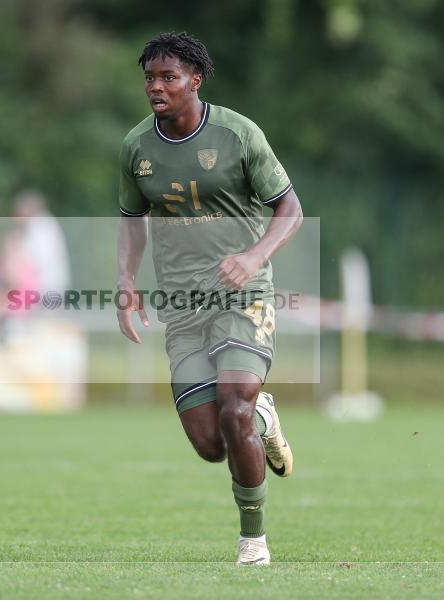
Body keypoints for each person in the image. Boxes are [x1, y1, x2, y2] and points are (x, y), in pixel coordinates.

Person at [115, 32, 303, 566]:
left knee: (234, 408)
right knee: (211, 444)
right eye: (150, 78)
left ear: (195, 80)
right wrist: (126, 279)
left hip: (243, 294)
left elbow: (290, 209)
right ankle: (263, 417)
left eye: (168, 77)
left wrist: (254, 256)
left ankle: (253, 541)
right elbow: (131, 219)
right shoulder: (136, 147)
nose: (156, 87)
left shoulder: (238, 134)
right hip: (182, 306)